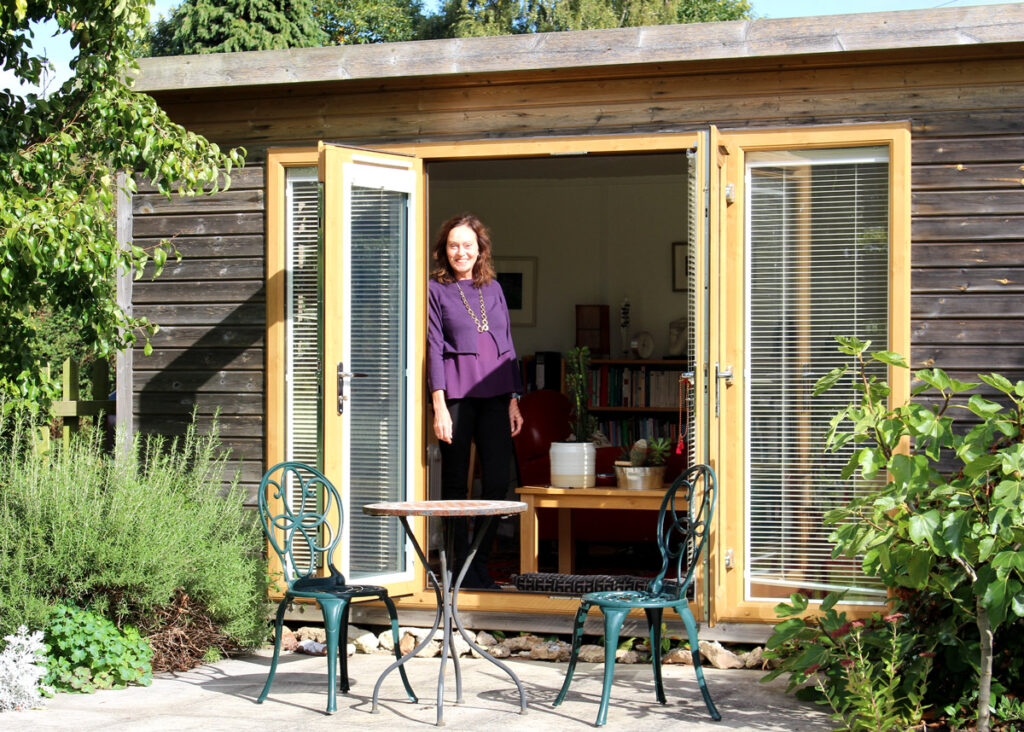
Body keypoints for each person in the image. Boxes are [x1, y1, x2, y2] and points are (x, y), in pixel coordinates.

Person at [427, 213, 524, 589]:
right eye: (453, 245)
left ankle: (478, 562)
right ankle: (458, 572)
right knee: (454, 485)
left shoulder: (494, 288)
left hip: (496, 395)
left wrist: (514, 398)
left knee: (497, 482)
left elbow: (508, 345)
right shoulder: (436, 289)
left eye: (468, 245)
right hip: (456, 396)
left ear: (480, 249)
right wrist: (438, 406)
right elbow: (434, 348)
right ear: (444, 250)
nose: (460, 251)